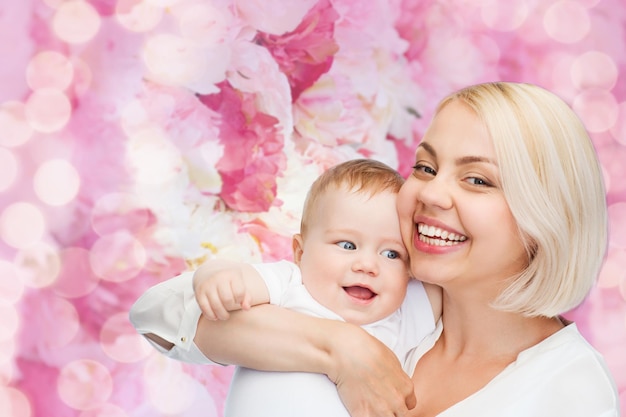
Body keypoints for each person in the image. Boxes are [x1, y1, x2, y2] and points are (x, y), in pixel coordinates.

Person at [130, 82, 620, 416]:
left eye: (477, 179)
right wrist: (343, 349)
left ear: (545, 216)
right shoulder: (387, 294)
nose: (430, 194)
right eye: (426, 168)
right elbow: (159, 316)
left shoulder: (570, 389)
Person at [130, 159, 442, 416]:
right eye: (347, 245)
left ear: (410, 271)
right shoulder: (289, 284)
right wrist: (213, 275)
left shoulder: (400, 317)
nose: (367, 265)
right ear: (300, 252)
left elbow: (458, 284)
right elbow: (232, 283)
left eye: (391, 254)